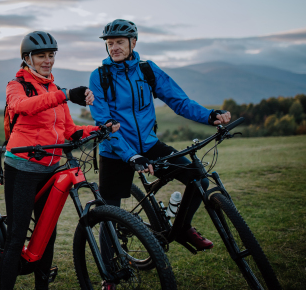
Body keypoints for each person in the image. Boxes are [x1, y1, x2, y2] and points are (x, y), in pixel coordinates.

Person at [88, 19, 231, 251]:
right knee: (109, 215)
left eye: (120, 42)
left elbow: (178, 100)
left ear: (133, 42)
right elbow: (105, 124)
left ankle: (183, 228)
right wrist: (131, 156)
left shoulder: (148, 70)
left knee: (198, 178)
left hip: (149, 145)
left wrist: (209, 116)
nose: (114, 47)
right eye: (110, 43)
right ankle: (110, 277)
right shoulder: (99, 77)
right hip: (115, 151)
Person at [1, 30, 120, 290]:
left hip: (50, 168)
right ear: (27, 58)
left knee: (47, 236)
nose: (47, 60)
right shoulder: (16, 85)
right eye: (41, 56)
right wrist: (66, 94)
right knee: (16, 236)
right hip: (22, 167)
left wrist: (99, 128)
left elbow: (68, 130)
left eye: (51, 55)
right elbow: (22, 107)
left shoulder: (53, 88)